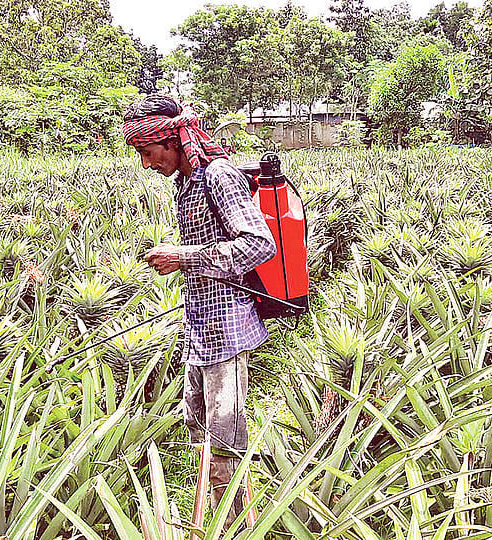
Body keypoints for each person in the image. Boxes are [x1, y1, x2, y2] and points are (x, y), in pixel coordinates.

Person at [121, 95, 275, 526]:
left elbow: (260, 244)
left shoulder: (218, 176)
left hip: (227, 329)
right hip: (200, 328)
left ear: (171, 141)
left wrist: (184, 257)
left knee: (225, 439)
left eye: (148, 152)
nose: (146, 164)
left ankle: (236, 525)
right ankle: (213, 516)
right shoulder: (186, 183)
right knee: (198, 426)